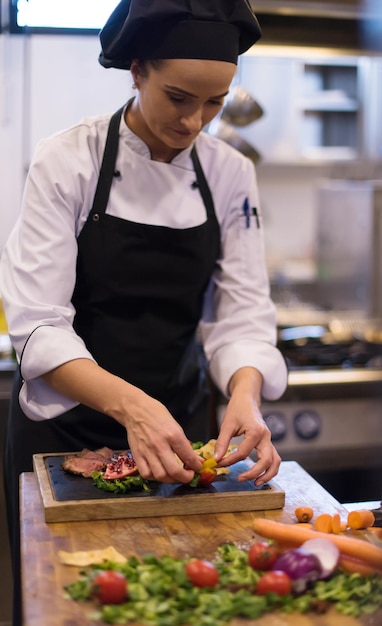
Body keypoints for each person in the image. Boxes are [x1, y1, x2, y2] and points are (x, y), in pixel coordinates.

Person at [0, 1, 288, 624]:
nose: (194, 122)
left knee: (184, 603)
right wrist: (131, 407)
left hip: (181, 435)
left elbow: (241, 315)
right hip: (68, 433)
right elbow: (39, 325)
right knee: (71, 606)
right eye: (179, 97)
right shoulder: (67, 160)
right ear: (137, 69)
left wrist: (245, 394)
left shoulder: (231, 173)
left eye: (215, 103)